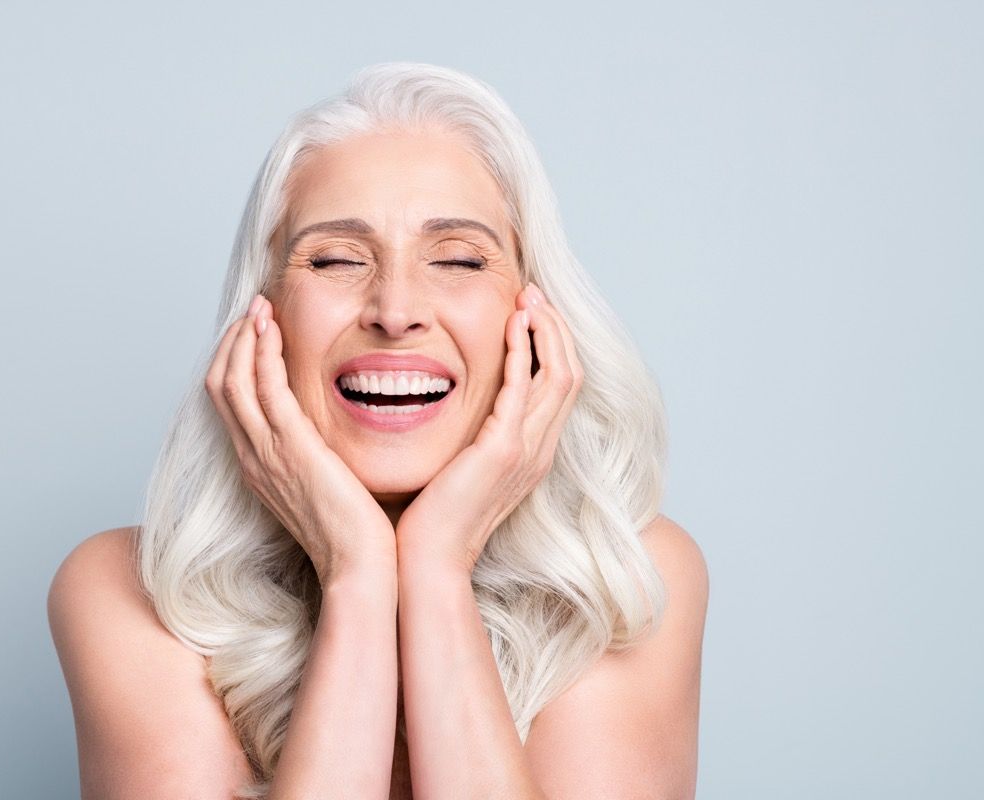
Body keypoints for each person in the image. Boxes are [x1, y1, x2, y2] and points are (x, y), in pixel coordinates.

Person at [48, 62, 709, 800]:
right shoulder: (125, 593)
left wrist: (435, 565)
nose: (395, 310)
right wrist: (358, 572)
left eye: (457, 259)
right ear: (263, 317)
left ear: (531, 320)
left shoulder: (628, 580)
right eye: (335, 259)